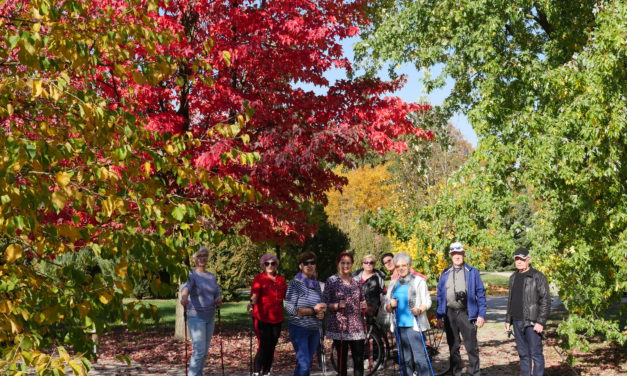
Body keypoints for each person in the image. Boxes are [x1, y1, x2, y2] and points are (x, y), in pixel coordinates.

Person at [436, 242, 486, 376]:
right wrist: (439, 315)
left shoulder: (472, 271)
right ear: (451, 256)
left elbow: (480, 293)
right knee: (453, 345)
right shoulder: (445, 272)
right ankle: (456, 371)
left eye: (459, 253)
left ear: (463, 255)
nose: (457, 256)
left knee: (471, 346)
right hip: (449, 313)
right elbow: (440, 295)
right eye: (454, 254)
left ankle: (474, 372)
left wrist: (481, 314)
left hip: (466, 313)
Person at [504, 247, 551, 376]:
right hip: (517, 322)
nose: (519, 262)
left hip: (532, 323)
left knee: (536, 354)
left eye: (522, 259)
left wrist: (540, 322)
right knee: (523, 355)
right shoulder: (513, 277)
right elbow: (510, 300)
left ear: (528, 260)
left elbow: (546, 300)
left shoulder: (537, 276)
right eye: (517, 259)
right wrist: (508, 319)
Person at [384, 252, 432, 376]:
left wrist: (419, 310)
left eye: (404, 265)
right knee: (405, 360)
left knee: (419, 358)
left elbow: (428, 301)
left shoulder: (419, 281)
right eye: (398, 266)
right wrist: (391, 305)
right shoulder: (393, 284)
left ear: (409, 265)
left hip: (414, 325)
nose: (401, 268)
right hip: (399, 326)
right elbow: (387, 307)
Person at [180, 246, 223, 376]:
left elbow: (216, 293)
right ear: (194, 259)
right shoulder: (191, 275)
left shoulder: (211, 276)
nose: (202, 258)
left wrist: (219, 298)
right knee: (199, 351)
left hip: (210, 317)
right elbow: (186, 288)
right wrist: (184, 297)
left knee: (204, 352)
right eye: (199, 256)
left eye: (204, 255)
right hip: (196, 317)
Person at [323, 252, 367, 376]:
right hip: (340, 325)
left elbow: (362, 299)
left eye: (348, 263)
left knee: (358, 359)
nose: (345, 265)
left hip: (356, 325)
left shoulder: (357, 281)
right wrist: (336, 305)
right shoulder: (331, 280)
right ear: (338, 264)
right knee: (342, 360)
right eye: (343, 263)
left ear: (352, 264)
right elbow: (325, 303)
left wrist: (364, 304)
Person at [285, 251, 327, 376]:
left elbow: (321, 304)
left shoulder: (316, 284)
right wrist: (313, 310)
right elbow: (290, 308)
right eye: (306, 263)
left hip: (314, 329)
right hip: (299, 328)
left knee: (305, 364)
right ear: (301, 266)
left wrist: (322, 313)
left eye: (312, 263)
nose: (309, 265)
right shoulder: (295, 283)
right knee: (304, 362)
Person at [248, 253, 287, 376]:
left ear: (276, 265)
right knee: (264, 345)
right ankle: (256, 371)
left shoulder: (281, 280)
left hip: (277, 318)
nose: (270, 266)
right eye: (267, 263)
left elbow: (287, 296)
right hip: (262, 317)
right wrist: (251, 303)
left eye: (273, 263)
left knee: (272, 345)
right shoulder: (259, 278)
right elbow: (254, 295)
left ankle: (266, 371)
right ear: (263, 265)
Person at [352, 254, 386, 321]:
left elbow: (384, 295)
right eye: (366, 262)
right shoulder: (354, 277)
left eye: (371, 262)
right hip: (356, 311)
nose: (368, 264)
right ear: (362, 264)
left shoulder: (379, 278)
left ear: (374, 264)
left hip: (373, 312)